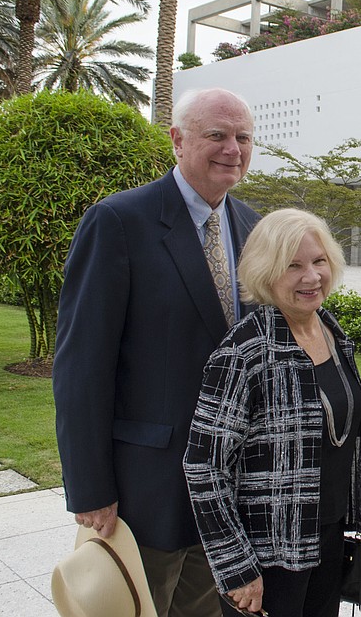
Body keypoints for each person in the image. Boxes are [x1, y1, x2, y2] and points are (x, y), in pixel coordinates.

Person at [54, 88, 260, 616]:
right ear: (177, 140)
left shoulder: (253, 227)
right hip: (146, 488)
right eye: (217, 135)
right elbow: (82, 366)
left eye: (243, 137)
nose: (232, 149)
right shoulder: (118, 221)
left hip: (228, 493)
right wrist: (90, 487)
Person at [184, 209, 361, 617]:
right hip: (270, 556)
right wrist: (236, 568)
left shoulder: (332, 333)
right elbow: (203, 465)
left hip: (329, 537)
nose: (312, 277)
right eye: (293, 266)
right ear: (266, 272)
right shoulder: (244, 352)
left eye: (319, 261)